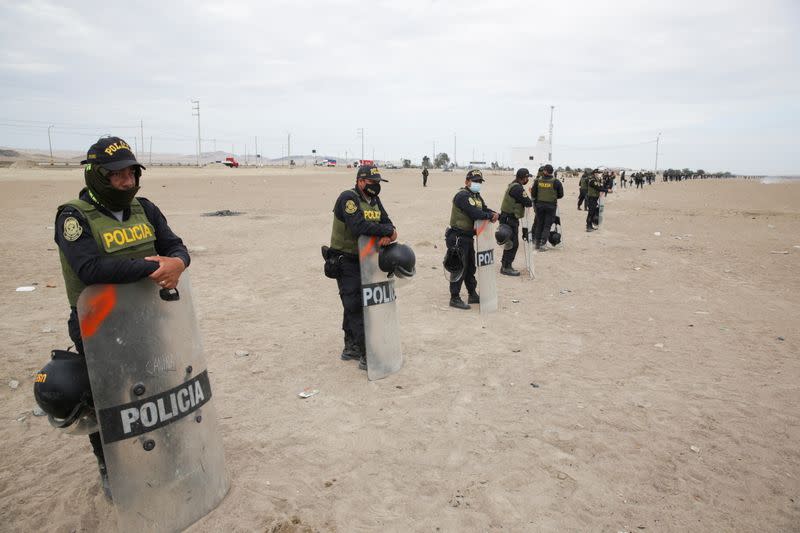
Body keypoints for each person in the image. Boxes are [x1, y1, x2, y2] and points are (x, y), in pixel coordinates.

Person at [53, 136, 190, 498]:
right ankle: (110, 466)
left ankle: (172, 454)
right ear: (97, 176)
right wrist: (149, 267)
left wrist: (178, 262)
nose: (127, 180)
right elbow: (90, 267)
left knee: (162, 387)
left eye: (131, 172)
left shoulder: (146, 209)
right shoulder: (73, 217)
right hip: (99, 325)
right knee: (108, 399)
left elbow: (174, 245)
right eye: (118, 175)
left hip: (148, 317)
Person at [328, 165, 396, 370]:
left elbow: (388, 222)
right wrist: (387, 231)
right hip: (345, 259)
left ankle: (351, 347)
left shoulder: (374, 200)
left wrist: (389, 231)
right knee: (354, 304)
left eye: (378, 182)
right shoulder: (348, 199)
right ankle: (367, 352)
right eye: (372, 182)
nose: (376, 186)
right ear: (360, 181)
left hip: (367, 258)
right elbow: (358, 226)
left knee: (359, 303)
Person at [445, 169, 498, 309]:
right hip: (457, 237)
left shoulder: (476, 196)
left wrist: (493, 213)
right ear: (467, 181)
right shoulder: (462, 196)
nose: (477, 183)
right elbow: (475, 213)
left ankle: (472, 294)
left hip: (468, 237)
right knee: (459, 267)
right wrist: (489, 216)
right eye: (475, 181)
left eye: (479, 181)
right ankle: (454, 297)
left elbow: (483, 209)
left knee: (470, 267)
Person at [498, 168, 533, 275]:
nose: (528, 179)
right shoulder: (517, 188)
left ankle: (505, 264)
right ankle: (506, 267)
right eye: (527, 177)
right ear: (523, 178)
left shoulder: (513, 185)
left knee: (510, 242)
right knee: (513, 243)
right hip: (510, 218)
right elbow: (528, 202)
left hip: (507, 217)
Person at [530, 164, 564, 250]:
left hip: (539, 205)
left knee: (539, 224)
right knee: (547, 225)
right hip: (551, 206)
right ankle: (542, 244)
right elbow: (560, 195)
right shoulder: (556, 182)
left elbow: (533, 194)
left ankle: (537, 243)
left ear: (545, 171)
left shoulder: (538, 181)